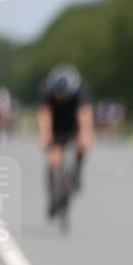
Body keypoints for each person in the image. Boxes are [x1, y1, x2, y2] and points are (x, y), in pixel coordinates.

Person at [37, 64, 93, 217]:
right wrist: (45, 136)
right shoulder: (47, 92)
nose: (60, 97)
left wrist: (84, 137)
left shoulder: (80, 92)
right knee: (53, 161)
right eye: (58, 94)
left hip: (73, 124)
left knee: (83, 145)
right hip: (56, 125)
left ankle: (77, 172)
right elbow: (44, 117)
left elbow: (85, 117)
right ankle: (52, 196)